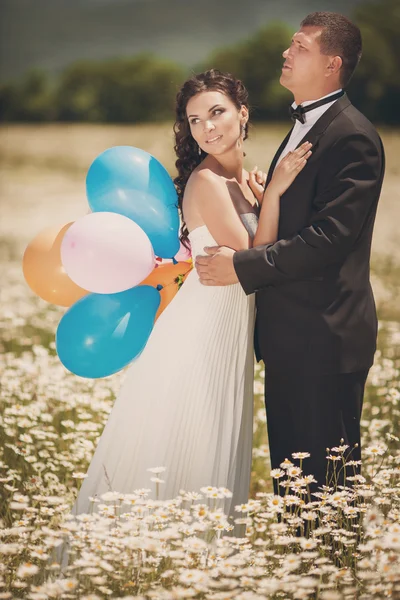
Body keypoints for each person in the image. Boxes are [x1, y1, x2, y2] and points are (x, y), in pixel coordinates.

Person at [71, 69, 311, 525]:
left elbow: (259, 249)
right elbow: (256, 257)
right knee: (191, 433)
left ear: (243, 114)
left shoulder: (239, 181)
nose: (207, 127)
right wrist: (276, 192)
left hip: (228, 329)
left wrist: (262, 198)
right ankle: (162, 549)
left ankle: (195, 559)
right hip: (202, 332)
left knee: (212, 438)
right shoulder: (206, 182)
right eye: (195, 120)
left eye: (217, 112)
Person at [195, 13, 385, 495]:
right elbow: (306, 219)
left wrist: (241, 267)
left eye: (299, 47)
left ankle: (335, 571)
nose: (286, 52)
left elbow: (329, 240)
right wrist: (268, 203)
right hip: (290, 339)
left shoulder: (353, 136)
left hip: (324, 338)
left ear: (331, 63)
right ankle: (302, 567)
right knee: (295, 486)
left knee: (327, 491)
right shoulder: (304, 123)